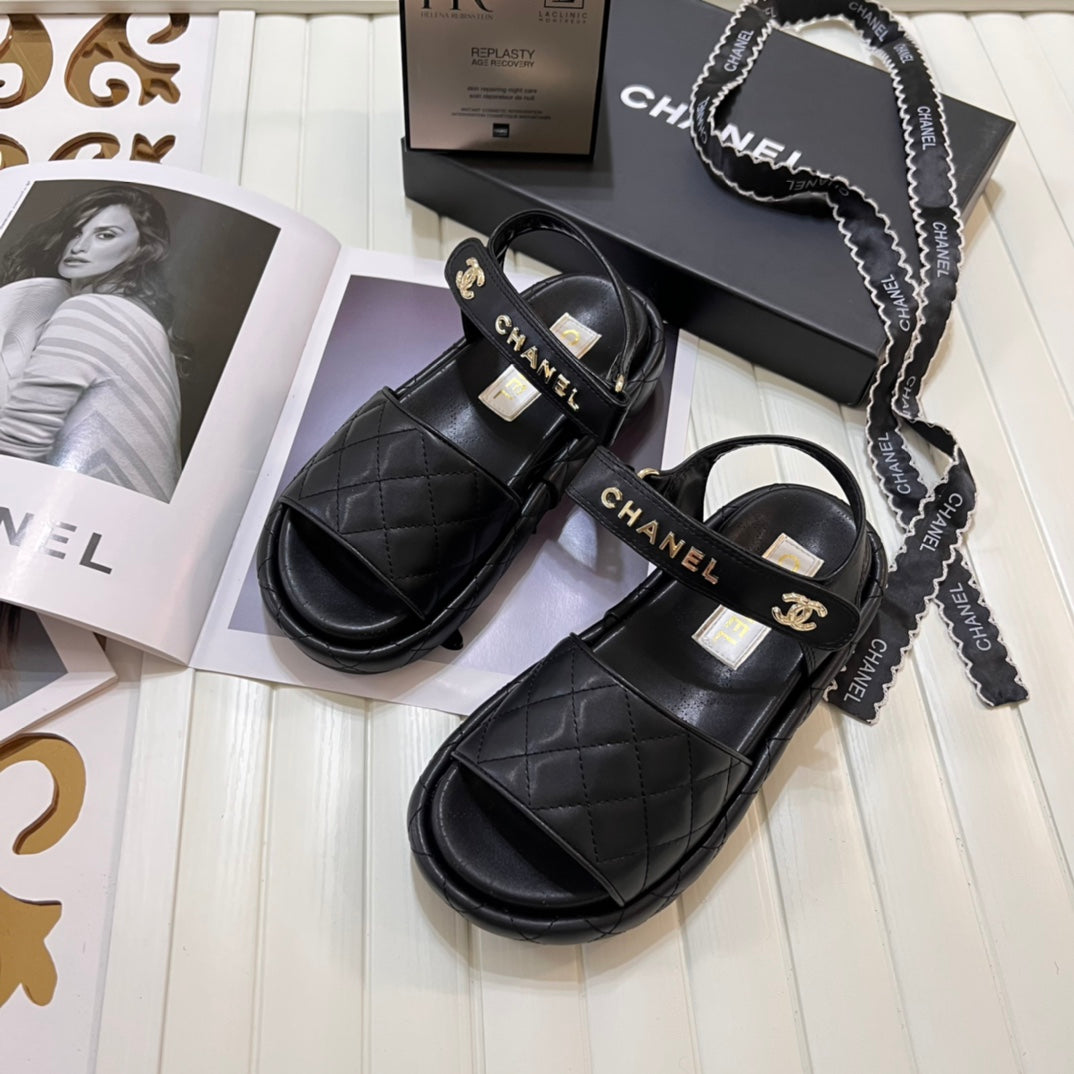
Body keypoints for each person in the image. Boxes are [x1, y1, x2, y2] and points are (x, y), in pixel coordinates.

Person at [0, 185, 183, 502]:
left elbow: (16, 447)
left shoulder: (89, 310)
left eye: (105, 235)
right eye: (76, 232)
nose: (79, 246)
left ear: (142, 248)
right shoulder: (150, 327)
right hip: (131, 517)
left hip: (81, 513)